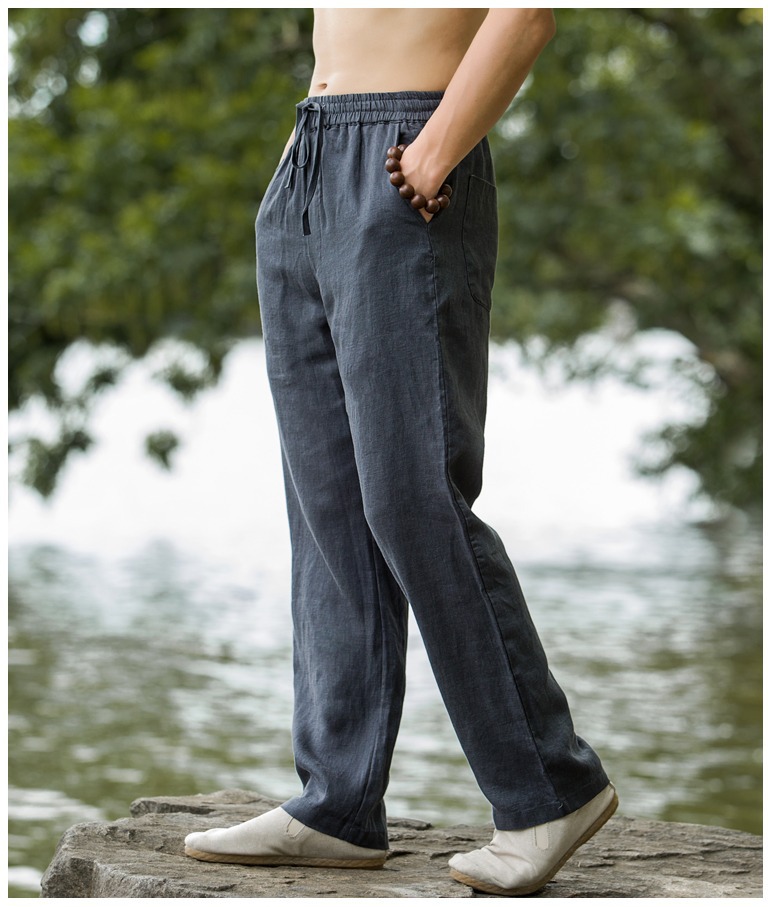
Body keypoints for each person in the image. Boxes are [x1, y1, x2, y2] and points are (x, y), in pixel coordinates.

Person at [185, 8, 617, 897]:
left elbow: (528, 11)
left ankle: (549, 787)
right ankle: (337, 803)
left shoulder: (423, 156)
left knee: (412, 497)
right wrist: (309, 161)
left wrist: (433, 151)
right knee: (329, 503)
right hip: (308, 159)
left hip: (407, 156)